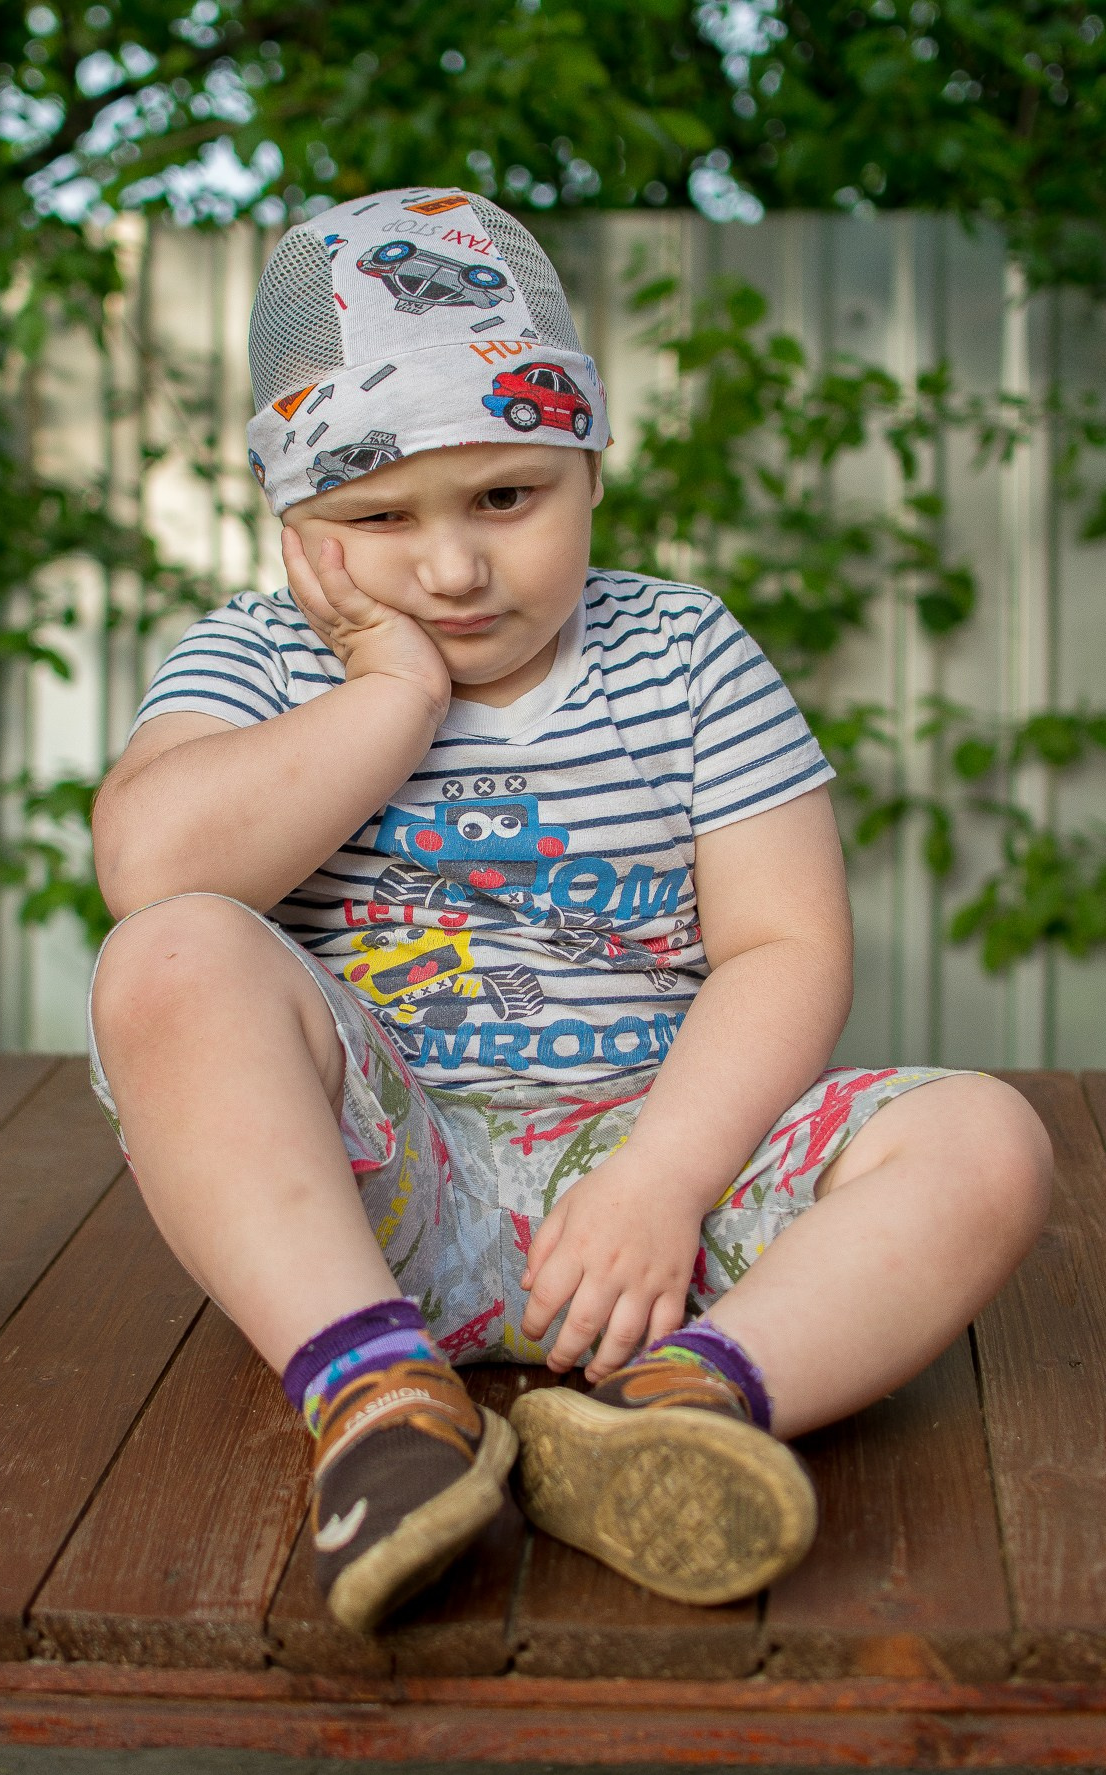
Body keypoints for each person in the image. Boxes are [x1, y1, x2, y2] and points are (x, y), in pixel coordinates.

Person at [89, 187, 1052, 1635]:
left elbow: (785, 944)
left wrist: (663, 1180)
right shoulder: (261, 659)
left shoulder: (683, 651)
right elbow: (150, 869)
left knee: (988, 1139)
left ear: (589, 466)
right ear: (294, 525)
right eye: (376, 517)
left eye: (506, 497)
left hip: (663, 1185)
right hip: (375, 1197)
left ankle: (680, 1408)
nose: (453, 567)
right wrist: (391, 694)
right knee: (170, 951)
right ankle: (377, 1397)